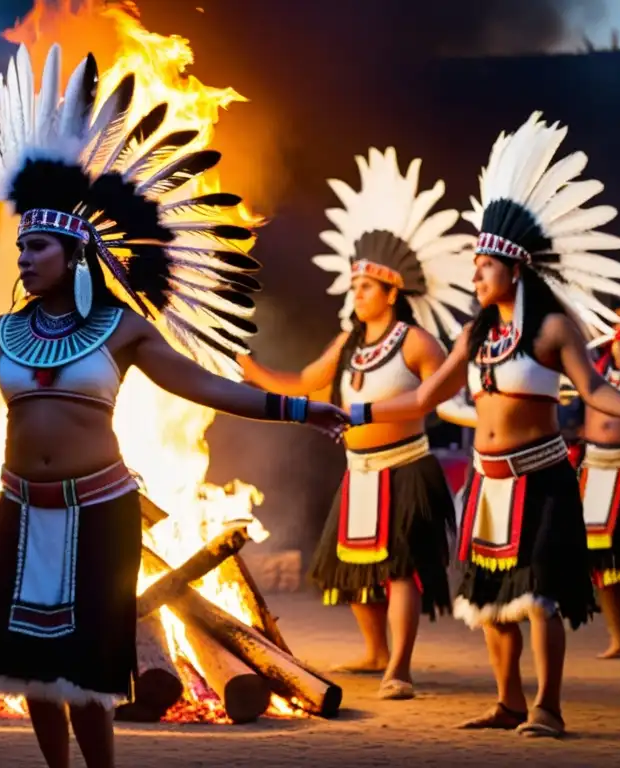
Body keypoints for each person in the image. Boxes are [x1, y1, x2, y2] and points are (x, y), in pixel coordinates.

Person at [0, 43, 349, 768]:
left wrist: (298, 411)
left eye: (37, 247)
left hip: (99, 513)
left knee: (82, 675)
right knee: (28, 672)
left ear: (74, 256)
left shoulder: (123, 328)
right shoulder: (3, 334)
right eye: (21, 246)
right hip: (19, 509)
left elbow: (206, 387)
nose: (23, 258)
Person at [343, 112, 620, 737]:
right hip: (486, 482)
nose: (474, 276)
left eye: (483, 266)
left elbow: (597, 389)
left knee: (539, 599)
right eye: (472, 267)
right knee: (490, 607)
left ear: (514, 269)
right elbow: (421, 399)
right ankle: (508, 702)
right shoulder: (474, 336)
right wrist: (355, 411)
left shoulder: (552, 330)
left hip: (541, 478)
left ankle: (548, 706)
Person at [239, 147, 475, 699]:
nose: (357, 292)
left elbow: (435, 397)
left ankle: (400, 667)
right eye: (354, 285)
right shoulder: (348, 342)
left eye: (366, 286)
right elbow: (306, 381)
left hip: (405, 469)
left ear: (393, 291)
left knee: (397, 572)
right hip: (359, 470)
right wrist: (248, 370)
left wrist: (367, 412)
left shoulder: (417, 341)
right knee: (353, 573)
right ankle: (373, 653)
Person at [571, 307, 620, 658]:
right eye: (618, 322)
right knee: (601, 558)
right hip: (596, 466)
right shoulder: (594, 366)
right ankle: (619, 636)